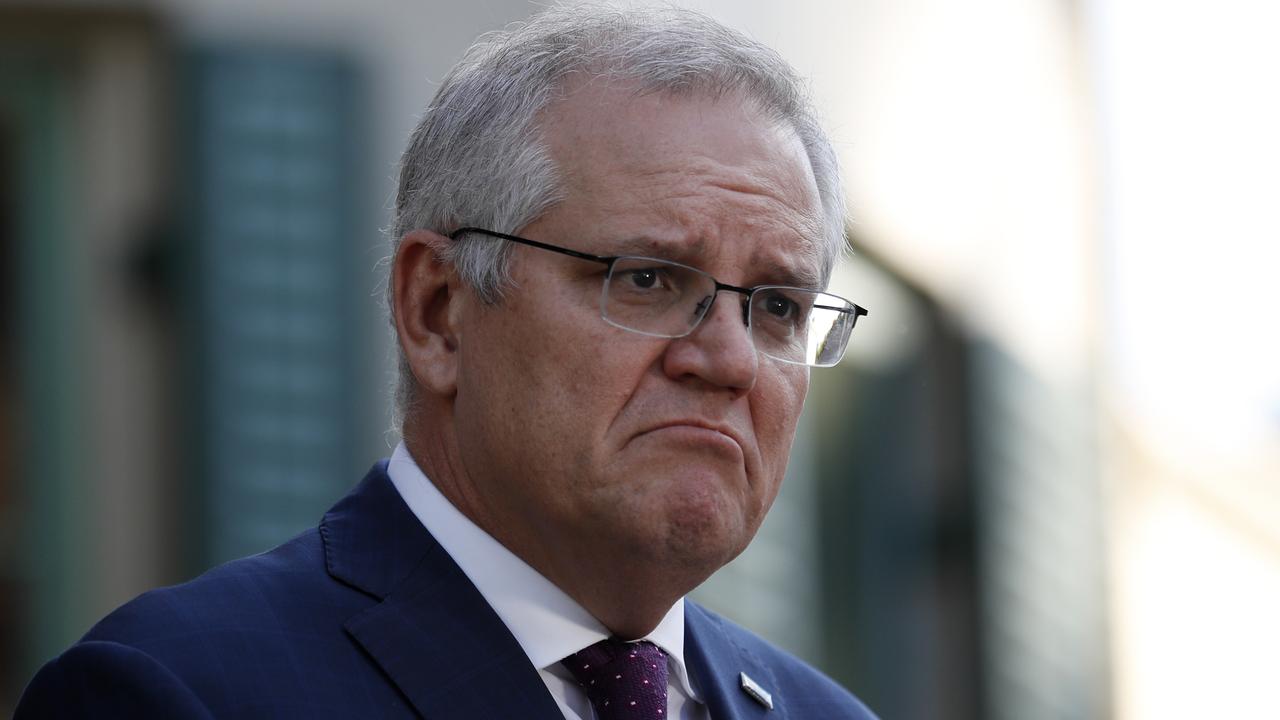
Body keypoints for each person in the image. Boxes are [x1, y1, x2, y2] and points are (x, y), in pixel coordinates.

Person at [16, 5, 874, 718]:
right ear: (437, 311)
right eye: (645, 279)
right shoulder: (175, 694)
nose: (729, 359)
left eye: (778, 309)